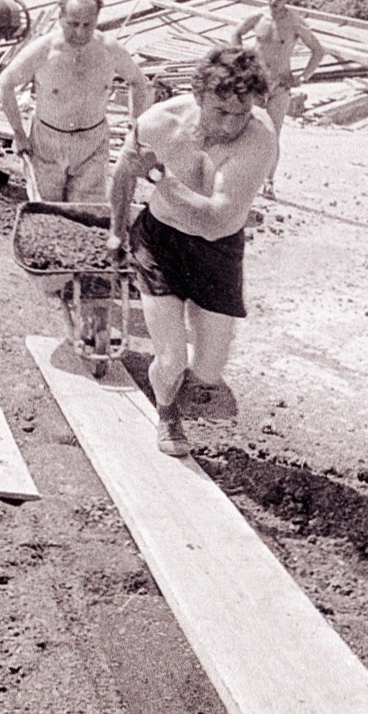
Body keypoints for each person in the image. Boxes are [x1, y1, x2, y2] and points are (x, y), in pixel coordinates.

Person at [107, 48, 274, 459]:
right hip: (161, 241)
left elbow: (218, 219)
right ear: (198, 96)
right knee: (172, 358)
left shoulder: (259, 139)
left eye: (243, 113)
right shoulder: (158, 123)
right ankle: (167, 413)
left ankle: (182, 388)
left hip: (218, 250)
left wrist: (160, 177)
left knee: (209, 370)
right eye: (221, 112)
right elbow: (124, 175)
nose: (232, 124)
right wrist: (115, 233)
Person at [0, 0, 153, 203]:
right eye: (73, 24)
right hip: (47, 144)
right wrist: (19, 133)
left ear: (96, 20)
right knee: (47, 211)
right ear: (61, 18)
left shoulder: (109, 49)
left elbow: (138, 81)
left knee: (86, 213)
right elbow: (5, 83)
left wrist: (133, 128)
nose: (80, 33)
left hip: (93, 145)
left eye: (87, 25)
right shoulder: (44, 49)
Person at [230, 0, 324, 198]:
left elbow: (318, 50)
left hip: (280, 85)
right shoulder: (258, 17)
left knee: (272, 135)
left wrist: (303, 77)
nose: (273, 2)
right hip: (256, 82)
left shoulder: (294, 22)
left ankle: (269, 181)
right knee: (243, 128)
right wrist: (241, 60)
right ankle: (239, 177)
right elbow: (236, 33)